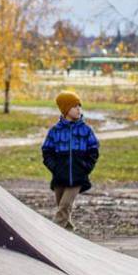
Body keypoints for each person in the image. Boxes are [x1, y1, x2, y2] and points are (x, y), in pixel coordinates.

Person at [41, 91, 99, 231]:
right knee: (62, 207)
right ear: (66, 109)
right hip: (60, 176)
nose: (79, 109)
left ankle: (53, 234)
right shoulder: (55, 131)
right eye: (75, 106)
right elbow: (47, 151)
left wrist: (85, 167)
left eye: (80, 106)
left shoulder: (86, 130)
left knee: (65, 207)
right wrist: (55, 167)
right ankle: (68, 232)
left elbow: (94, 150)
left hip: (78, 177)